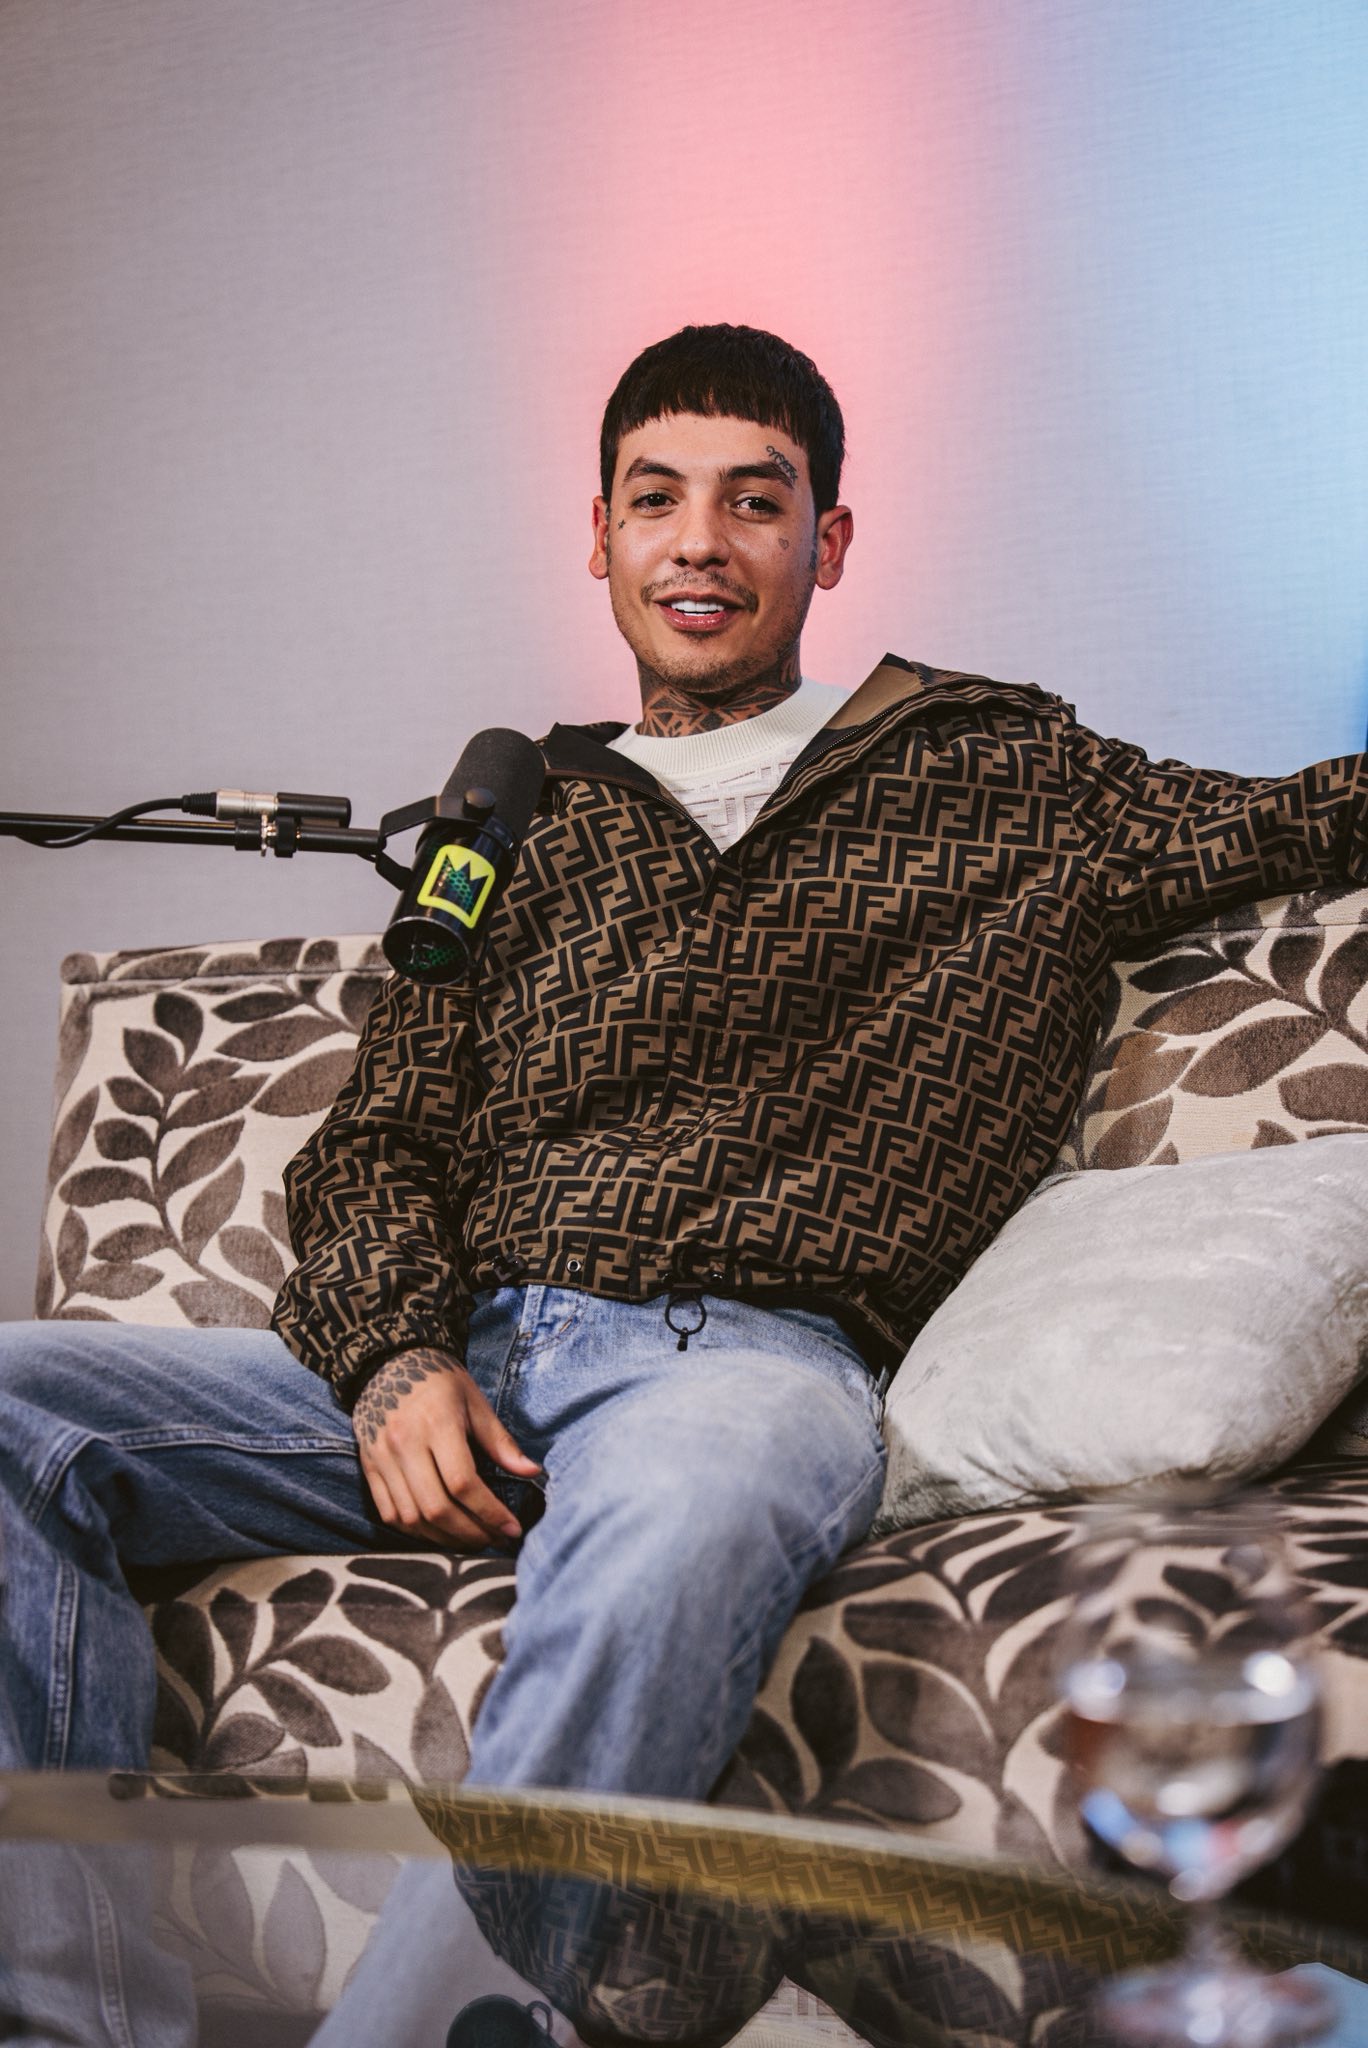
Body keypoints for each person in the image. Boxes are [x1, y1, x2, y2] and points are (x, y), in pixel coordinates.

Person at [3, 323, 1368, 2044]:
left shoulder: (1004, 770)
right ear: (600, 537)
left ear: (828, 540)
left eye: (755, 499)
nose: (700, 542)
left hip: (744, 1371)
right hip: (474, 1351)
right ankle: (65, 2022)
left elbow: (1307, 818)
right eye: (656, 500)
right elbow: (379, 1141)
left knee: (687, 1512)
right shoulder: (521, 818)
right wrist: (392, 1358)